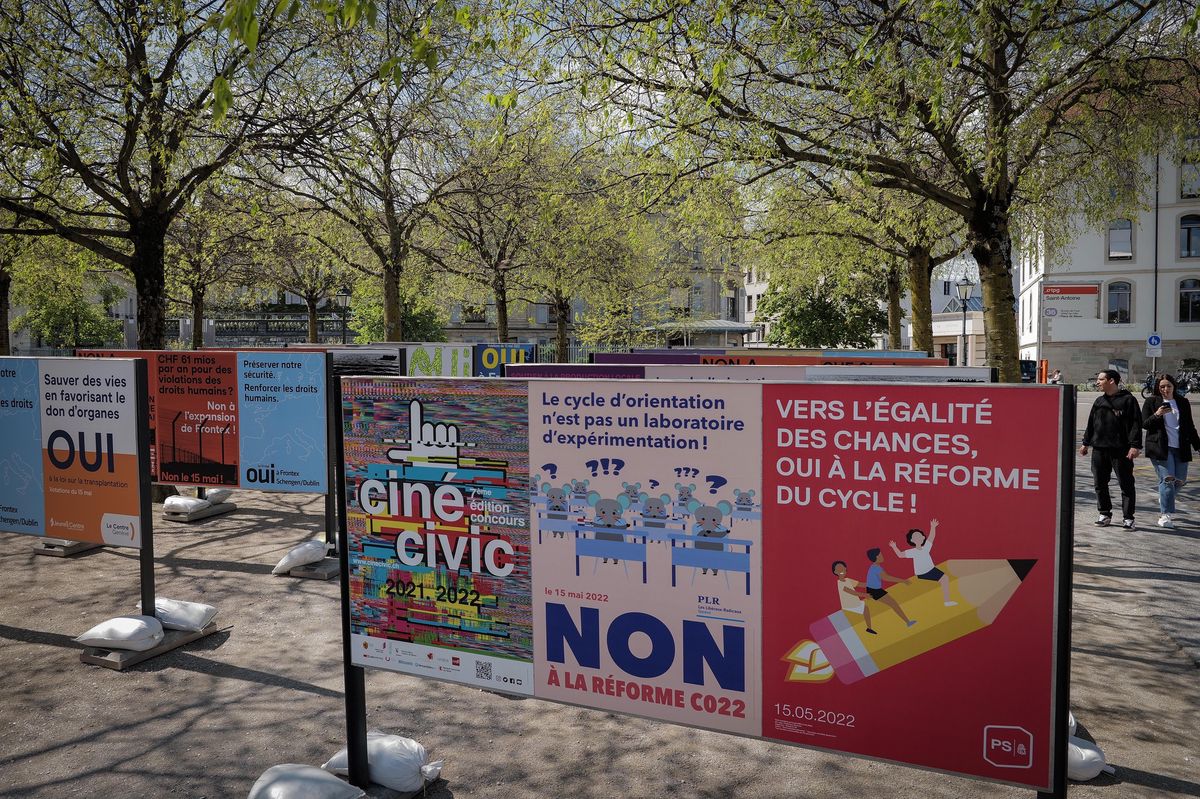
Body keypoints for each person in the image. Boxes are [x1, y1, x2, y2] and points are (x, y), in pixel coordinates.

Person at [1079, 369, 1143, 529]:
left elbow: (1136, 425)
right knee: (1099, 483)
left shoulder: (1128, 400)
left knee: (1126, 484)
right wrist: (1086, 443)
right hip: (1099, 450)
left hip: (1121, 450)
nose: (1097, 382)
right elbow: (1091, 424)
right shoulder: (1099, 401)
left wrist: (1135, 446)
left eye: (1100, 379)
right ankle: (1104, 514)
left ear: (1112, 381)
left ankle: (1128, 518)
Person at [1141, 373, 1200, 529]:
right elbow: (1145, 424)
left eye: (1168, 386)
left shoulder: (1182, 402)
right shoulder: (1151, 401)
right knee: (1168, 479)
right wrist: (1157, 414)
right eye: (1162, 386)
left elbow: (1190, 426)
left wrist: (1198, 446)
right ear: (1157, 388)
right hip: (1160, 447)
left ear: (1174, 386)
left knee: (1180, 480)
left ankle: (1165, 498)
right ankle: (1165, 515)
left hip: (1181, 447)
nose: (1165, 389)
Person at [890, 518, 957, 607]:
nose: (918, 537)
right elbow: (900, 555)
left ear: (923, 538)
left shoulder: (926, 548)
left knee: (945, 579)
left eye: (919, 536)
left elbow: (931, 537)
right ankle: (947, 601)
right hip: (925, 572)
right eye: (915, 536)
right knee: (945, 579)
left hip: (930, 570)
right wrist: (894, 547)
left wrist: (933, 527)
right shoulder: (912, 551)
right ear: (912, 540)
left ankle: (947, 601)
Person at [864, 548, 917, 628]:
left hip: (874, 590)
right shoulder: (876, 568)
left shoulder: (875, 567)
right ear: (877, 557)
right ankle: (908, 622)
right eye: (881, 555)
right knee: (894, 604)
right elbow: (886, 578)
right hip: (874, 591)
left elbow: (886, 577)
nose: (882, 556)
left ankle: (908, 622)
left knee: (893, 604)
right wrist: (903, 581)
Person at [832, 560, 875, 634]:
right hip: (850, 605)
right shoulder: (840, 583)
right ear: (835, 572)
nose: (841, 570)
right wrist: (865, 595)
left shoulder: (848, 580)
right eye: (838, 569)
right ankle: (869, 628)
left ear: (845, 568)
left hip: (855, 603)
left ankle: (869, 628)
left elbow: (860, 584)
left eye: (842, 568)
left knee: (866, 608)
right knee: (865, 608)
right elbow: (852, 592)